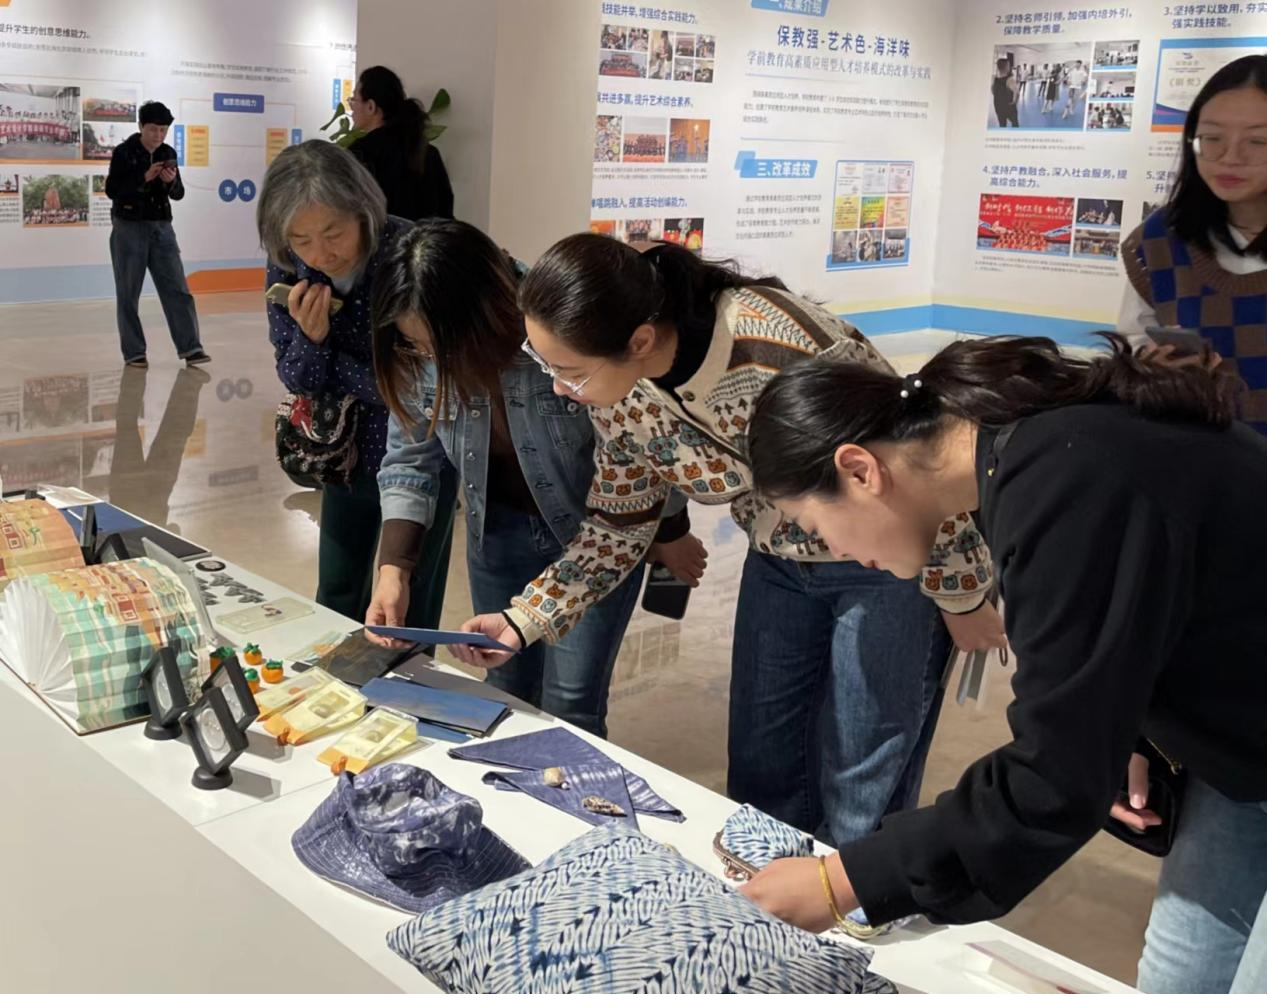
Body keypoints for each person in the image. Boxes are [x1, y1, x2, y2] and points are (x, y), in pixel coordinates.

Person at [741, 335, 1265, 994]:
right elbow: (1153, 607)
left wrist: (840, 881)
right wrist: (1128, 725)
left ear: (859, 469)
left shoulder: (1064, 478)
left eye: (814, 526)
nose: (831, 550)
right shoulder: (1033, 454)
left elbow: (1050, 777)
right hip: (1241, 762)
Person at [451, 233, 1005, 857]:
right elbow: (616, 527)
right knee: (763, 757)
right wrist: (523, 619)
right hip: (777, 562)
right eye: (547, 365)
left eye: (571, 371)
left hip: (887, 563)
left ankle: (852, 896)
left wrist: (961, 594)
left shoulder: (779, 343)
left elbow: (915, 466)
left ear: (639, 340)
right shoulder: (622, 398)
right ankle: (770, 888)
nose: (557, 388)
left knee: (863, 762)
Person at [367, 220, 693, 737]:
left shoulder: (562, 331)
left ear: (486, 314)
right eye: (419, 348)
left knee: (571, 701)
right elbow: (410, 458)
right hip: (496, 535)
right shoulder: (418, 352)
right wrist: (394, 569)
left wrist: (671, 529)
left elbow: (643, 444)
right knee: (503, 686)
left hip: (591, 538)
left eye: (441, 347)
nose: (433, 362)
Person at [257, 140, 456, 628]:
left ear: (363, 211)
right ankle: (336, 676)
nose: (320, 253)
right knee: (337, 591)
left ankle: (409, 678)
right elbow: (298, 379)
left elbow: (421, 388)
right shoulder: (288, 265)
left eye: (333, 233)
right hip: (341, 454)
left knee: (412, 597)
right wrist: (313, 340)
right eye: (301, 239)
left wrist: (337, 364)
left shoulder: (411, 255)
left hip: (422, 451)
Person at [1119, 55, 1267, 435]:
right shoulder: (1160, 240)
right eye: (1212, 139)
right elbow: (1134, 340)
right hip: (1197, 451)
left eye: (1258, 141)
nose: (1230, 158)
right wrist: (1152, 367)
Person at [105, 100, 209, 370]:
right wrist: (144, 178)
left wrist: (170, 182)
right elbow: (112, 190)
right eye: (153, 129)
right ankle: (134, 353)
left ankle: (191, 348)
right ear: (141, 126)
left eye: (163, 130)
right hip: (129, 227)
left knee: (177, 288)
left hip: (162, 228)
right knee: (128, 293)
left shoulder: (168, 152)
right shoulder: (124, 152)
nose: (158, 135)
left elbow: (179, 193)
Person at [347, 66, 454, 222]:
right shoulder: (427, 152)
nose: (351, 106)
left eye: (354, 99)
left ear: (371, 107)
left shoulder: (360, 154)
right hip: (425, 237)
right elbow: (445, 214)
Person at [992, 58, 1019, 128]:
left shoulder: (994, 79)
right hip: (1008, 106)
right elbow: (1017, 92)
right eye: (1009, 65)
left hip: (998, 106)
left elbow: (993, 91)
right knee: (1015, 124)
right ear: (1007, 67)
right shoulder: (1010, 80)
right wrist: (1014, 101)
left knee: (1002, 125)